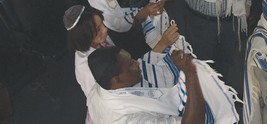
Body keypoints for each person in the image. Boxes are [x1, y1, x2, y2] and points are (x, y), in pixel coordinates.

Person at [64, 4, 179, 123]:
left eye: (102, 23)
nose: (105, 29)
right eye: (98, 29)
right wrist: (161, 46)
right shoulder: (87, 70)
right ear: (85, 37)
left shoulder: (99, 41)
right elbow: (109, 96)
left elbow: (124, 67)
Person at [87, 46, 240, 123]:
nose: (137, 63)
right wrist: (190, 73)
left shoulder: (98, 89)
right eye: (130, 64)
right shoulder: (128, 119)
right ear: (116, 80)